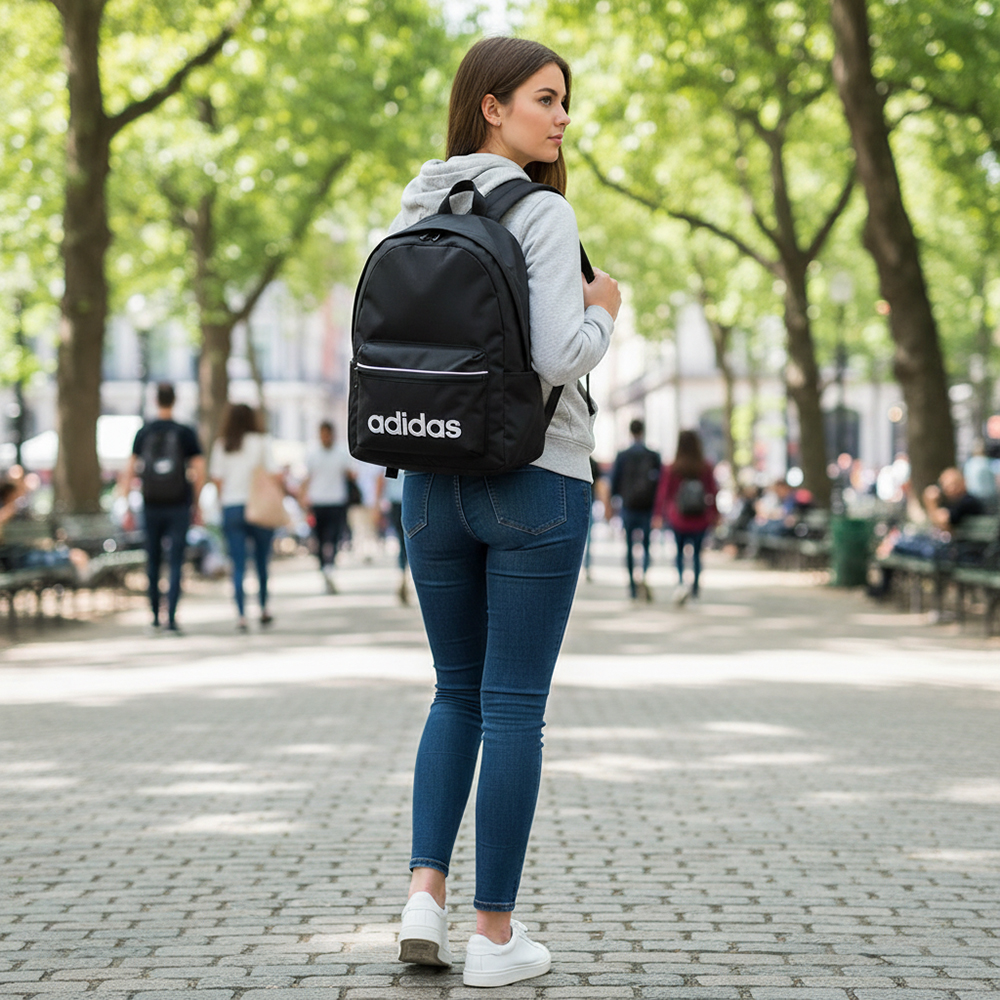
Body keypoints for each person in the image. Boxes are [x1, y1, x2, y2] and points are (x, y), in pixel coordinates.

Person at [391, 37, 620, 988]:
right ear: (492, 105)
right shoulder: (543, 212)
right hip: (533, 479)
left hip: (428, 478)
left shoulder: (413, 203)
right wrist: (609, 306)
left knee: (454, 692)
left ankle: (422, 897)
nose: (562, 117)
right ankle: (494, 938)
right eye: (545, 98)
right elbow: (562, 354)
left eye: (565, 101)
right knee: (514, 706)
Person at [121, 383, 205, 635]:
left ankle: (155, 617)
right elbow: (199, 470)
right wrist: (197, 503)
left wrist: (126, 504)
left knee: (153, 561)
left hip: (151, 503)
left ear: (155, 400)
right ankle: (172, 617)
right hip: (179, 503)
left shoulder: (144, 431)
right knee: (177, 560)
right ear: (175, 400)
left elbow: (130, 470)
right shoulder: (185, 432)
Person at [210, 403, 282, 632]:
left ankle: (241, 615)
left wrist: (222, 505)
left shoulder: (222, 445)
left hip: (232, 507)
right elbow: (274, 474)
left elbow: (217, 480)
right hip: (258, 506)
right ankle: (263, 609)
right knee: (262, 562)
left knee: (238, 564)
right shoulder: (261, 442)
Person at [653, 429, 718, 604]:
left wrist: (659, 514)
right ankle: (695, 589)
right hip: (700, 518)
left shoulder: (672, 467)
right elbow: (713, 492)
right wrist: (715, 514)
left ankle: (681, 584)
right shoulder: (705, 466)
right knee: (697, 554)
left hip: (678, 518)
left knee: (680, 553)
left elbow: (664, 493)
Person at [299, 420, 354, 594]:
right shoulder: (312, 454)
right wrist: (303, 499)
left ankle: (330, 567)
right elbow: (307, 478)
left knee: (335, 537)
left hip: (337, 501)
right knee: (320, 539)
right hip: (317, 502)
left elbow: (351, 474)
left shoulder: (341, 453)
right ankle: (324, 568)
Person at [610, 419, 661, 600]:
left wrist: (614, 503)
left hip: (629, 506)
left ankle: (632, 586)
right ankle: (644, 576)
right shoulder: (653, 455)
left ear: (630, 432)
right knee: (646, 545)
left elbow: (614, 483)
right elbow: (660, 484)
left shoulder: (623, 455)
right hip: (647, 507)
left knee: (630, 547)